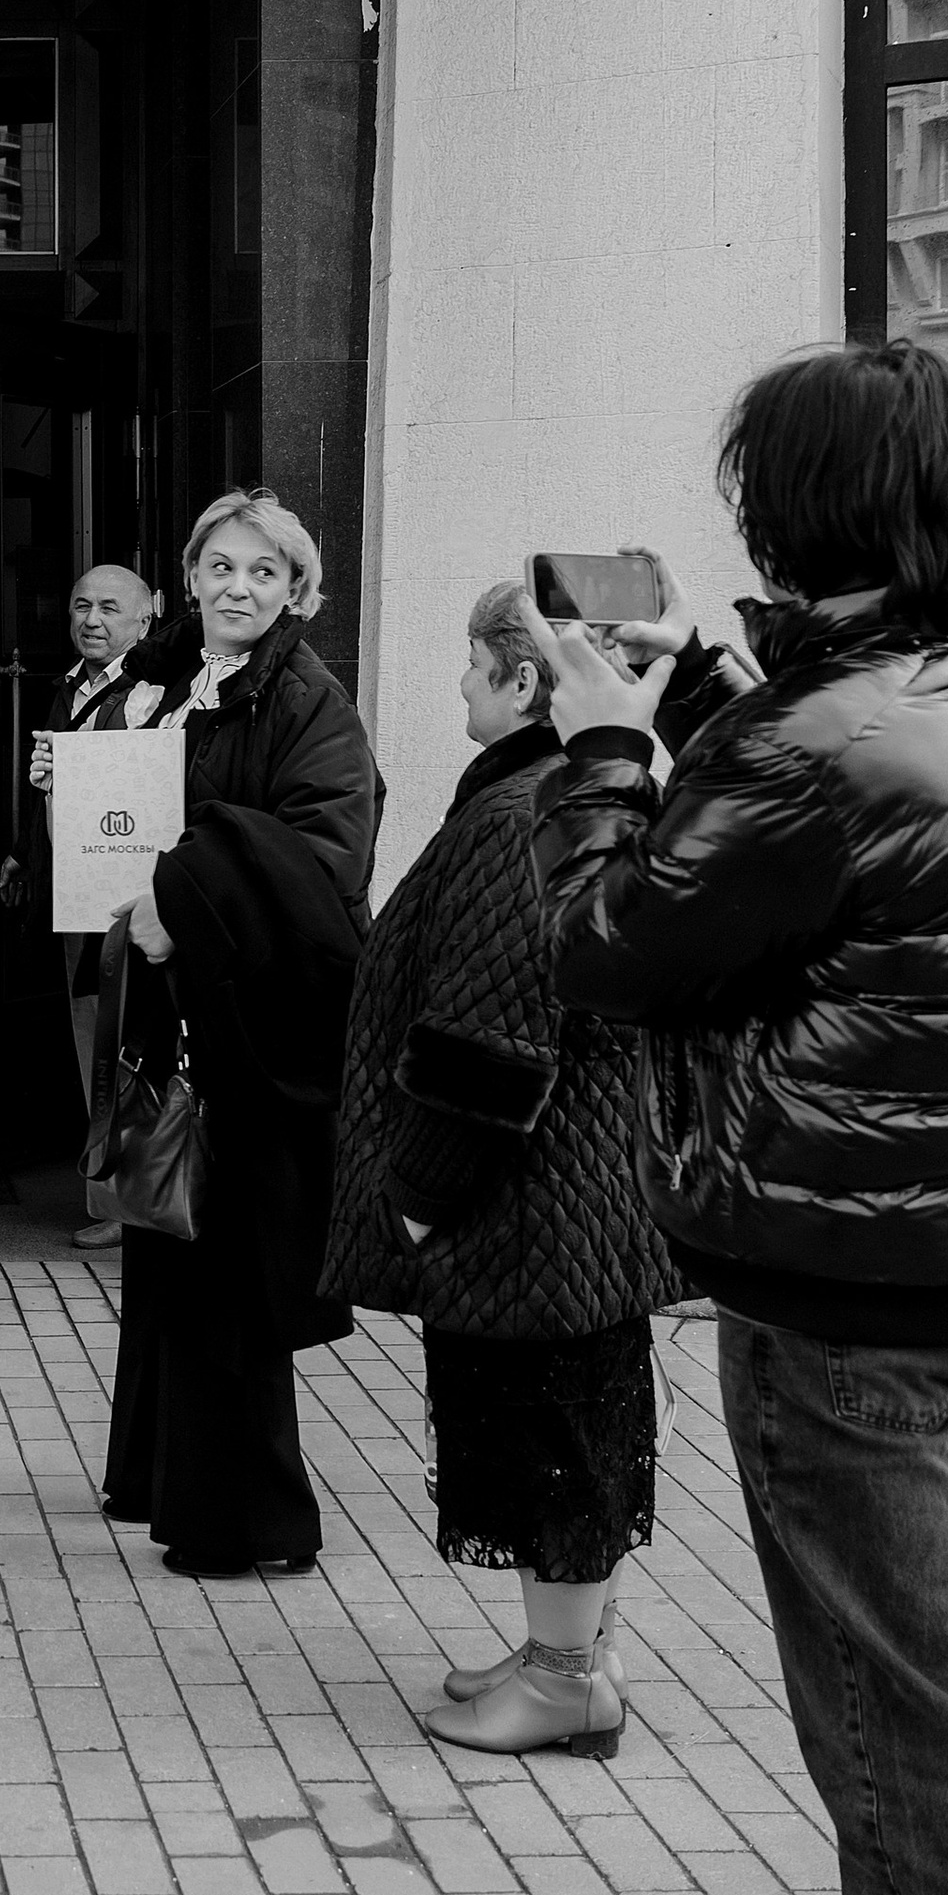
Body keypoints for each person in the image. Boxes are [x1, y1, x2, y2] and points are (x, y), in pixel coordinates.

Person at [535, 339, 948, 1895]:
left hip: (831, 1280)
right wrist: (708, 717)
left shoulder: (804, 739)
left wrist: (597, 753)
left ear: (796, 514)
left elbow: (611, 953)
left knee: (895, 1698)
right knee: (911, 1660)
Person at [322, 582, 677, 1754]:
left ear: (522, 681)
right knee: (574, 1422)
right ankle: (564, 1655)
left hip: (521, 1202)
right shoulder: (590, 792)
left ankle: (569, 1678)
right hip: (581, 1191)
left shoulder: (511, 812)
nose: (460, 686)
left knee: (547, 1437)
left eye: (475, 665)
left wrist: (421, 1198)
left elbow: (484, 1037)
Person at [106, 490, 379, 1573]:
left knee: (229, 1259)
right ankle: (156, 1473)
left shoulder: (310, 699)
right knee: (163, 1222)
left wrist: (182, 897)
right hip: (169, 995)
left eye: (264, 573)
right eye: (221, 566)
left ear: (297, 590)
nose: (239, 588)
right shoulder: (166, 679)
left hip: (252, 1013)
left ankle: (252, 1523)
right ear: (190, 575)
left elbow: (325, 858)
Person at [3, 563, 169, 1253]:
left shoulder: (158, 691)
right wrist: (22, 852)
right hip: (75, 892)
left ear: (144, 619)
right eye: (80, 606)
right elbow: (51, 782)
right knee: (91, 1047)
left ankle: (139, 1204)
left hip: (134, 899)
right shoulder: (71, 685)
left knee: (132, 1048)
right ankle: (113, 1195)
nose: (91, 620)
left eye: (108, 608)